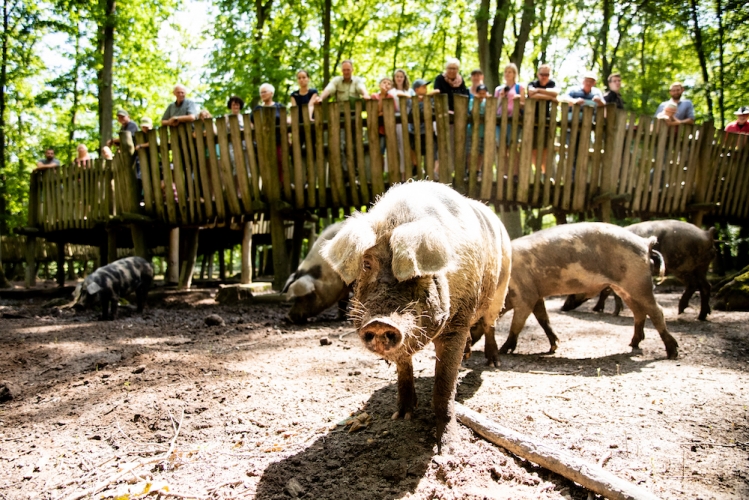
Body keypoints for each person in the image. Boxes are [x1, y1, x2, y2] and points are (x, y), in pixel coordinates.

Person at [527, 64, 559, 175]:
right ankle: (539, 172)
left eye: (547, 74)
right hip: (532, 121)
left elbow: (556, 93)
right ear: (538, 74)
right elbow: (531, 94)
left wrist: (539, 91)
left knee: (546, 148)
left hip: (547, 121)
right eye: (542, 74)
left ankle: (546, 174)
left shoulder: (552, 84)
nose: (544, 77)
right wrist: (550, 97)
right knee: (533, 149)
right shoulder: (532, 84)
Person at [251, 83, 285, 180]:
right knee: (266, 164)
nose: (262, 94)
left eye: (264, 92)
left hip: (278, 140)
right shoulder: (257, 109)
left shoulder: (279, 107)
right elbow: (251, 123)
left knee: (280, 161)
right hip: (262, 142)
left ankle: (282, 184)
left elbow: (285, 122)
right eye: (261, 93)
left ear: (271, 93)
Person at [407, 79, 439, 175]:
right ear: (416, 89)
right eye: (423, 87)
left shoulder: (429, 98)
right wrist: (417, 98)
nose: (426, 88)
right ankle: (417, 167)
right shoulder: (411, 100)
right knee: (414, 149)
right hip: (415, 130)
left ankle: (431, 172)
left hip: (427, 130)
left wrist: (425, 97)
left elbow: (437, 91)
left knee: (430, 150)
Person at [466, 85, 488, 177]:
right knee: (471, 151)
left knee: (481, 152)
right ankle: (469, 170)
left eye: (484, 93)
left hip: (484, 132)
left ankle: (478, 170)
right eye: (480, 93)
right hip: (472, 131)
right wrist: (477, 102)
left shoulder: (488, 102)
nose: (482, 95)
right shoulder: (472, 101)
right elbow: (472, 111)